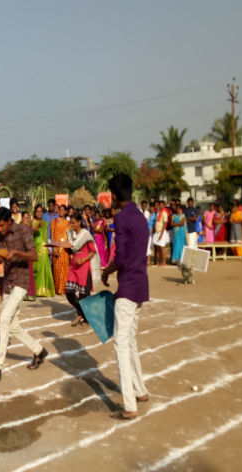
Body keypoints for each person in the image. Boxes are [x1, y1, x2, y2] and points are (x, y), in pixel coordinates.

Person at [101, 173, 149, 420]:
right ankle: (140, 390)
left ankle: (129, 404)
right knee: (130, 340)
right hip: (140, 285)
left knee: (121, 343)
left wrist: (106, 271)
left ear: (114, 195)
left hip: (128, 286)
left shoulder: (121, 218)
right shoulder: (140, 216)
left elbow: (119, 257)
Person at [0, 208, 46, 383]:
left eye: (2, 225)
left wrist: (17, 253)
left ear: (9, 221)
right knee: (13, 326)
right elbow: (1, 259)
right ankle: (39, 350)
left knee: (4, 319)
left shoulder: (22, 230)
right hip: (8, 281)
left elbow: (34, 256)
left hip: (21, 281)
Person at [63, 212, 96, 327]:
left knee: (84, 295)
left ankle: (86, 319)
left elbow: (93, 251)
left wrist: (83, 260)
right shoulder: (71, 235)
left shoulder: (85, 234)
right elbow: (71, 250)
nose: (71, 225)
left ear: (79, 222)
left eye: (73, 223)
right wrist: (64, 247)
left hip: (84, 266)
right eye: (70, 223)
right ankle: (81, 312)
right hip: (74, 266)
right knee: (69, 292)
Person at [31, 205, 55, 297]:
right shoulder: (32, 222)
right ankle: (36, 290)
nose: (39, 213)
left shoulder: (45, 223)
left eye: (41, 211)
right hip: (35, 247)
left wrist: (48, 247)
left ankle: (44, 290)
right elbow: (32, 234)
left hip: (44, 248)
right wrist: (37, 226)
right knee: (36, 269)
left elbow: (45, 236)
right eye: (38, 211)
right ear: (35, 212)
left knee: (43, 269)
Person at [51, 204, 70, 294]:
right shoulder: (54, 221)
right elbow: (52, 235)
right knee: (56, 268)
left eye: (63, 210)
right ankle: (57, 288)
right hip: (56, 247)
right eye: (60, 210)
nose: (61, 211)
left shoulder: (68, 223)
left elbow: (69, 236)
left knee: (64, 268)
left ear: (66, 212)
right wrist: (54, 248)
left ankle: (63, 288)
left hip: (64, 249)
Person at [152, 200, 170, 265]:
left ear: (164, 205)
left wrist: (162, 234)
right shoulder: (158, 212)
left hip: (161, 231)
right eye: (160, 205)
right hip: (157, 231)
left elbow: (165, 223)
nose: (161, 206)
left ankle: (164, 262)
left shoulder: (164, 212)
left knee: (162, 247)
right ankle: (160, 261)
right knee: (159, 247)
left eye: (162, 205)